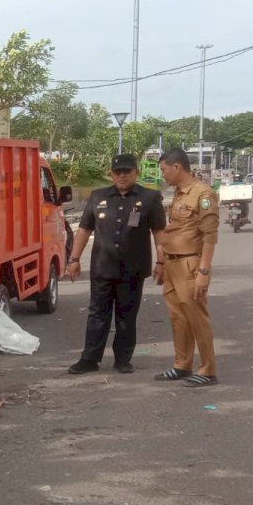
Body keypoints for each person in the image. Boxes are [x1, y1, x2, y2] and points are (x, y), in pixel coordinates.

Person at [66, 154, 167, 375]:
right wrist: (73, 259)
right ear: (111, 173)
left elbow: (159, 231)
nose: (121, 176)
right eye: (117, 172)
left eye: (126, 171)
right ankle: (89, 359)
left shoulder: (150, 198)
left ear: (136, 172)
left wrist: (161, 261)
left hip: (133, 268)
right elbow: (84, 230)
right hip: (102, 267)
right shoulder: (97, 196)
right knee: (97, 314)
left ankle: (123, 359)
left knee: (126, 315)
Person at [155, 148, 220, 387]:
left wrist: (204, 271)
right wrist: (161, 262)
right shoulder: (180, 194)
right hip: (172, 264)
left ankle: (208, 369)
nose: (162, 175)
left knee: (196, 317)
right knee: (178, 318)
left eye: (163, 169)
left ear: (176, 167)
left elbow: (210, 236)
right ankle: (182, 364)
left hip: (190, 264)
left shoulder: (203, 194)